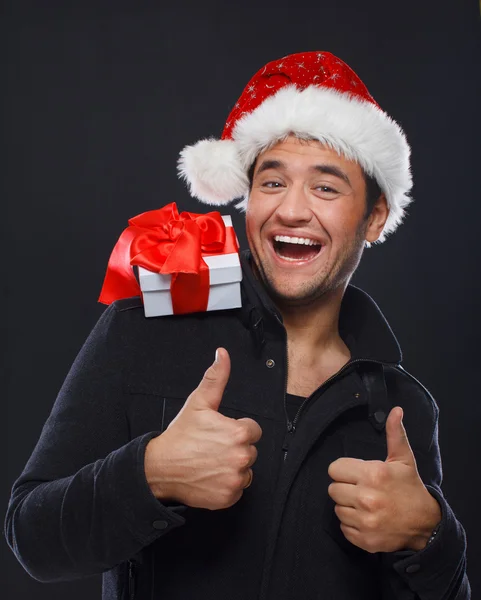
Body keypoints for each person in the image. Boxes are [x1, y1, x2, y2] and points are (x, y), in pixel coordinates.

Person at [5, 51, 470, 600]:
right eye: (272, 183)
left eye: (325, 187)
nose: (292, 211)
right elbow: (31, 538)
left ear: (374, 217)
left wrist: (430, 538)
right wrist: (150, 474)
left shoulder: (403, 407)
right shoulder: (145, 328)